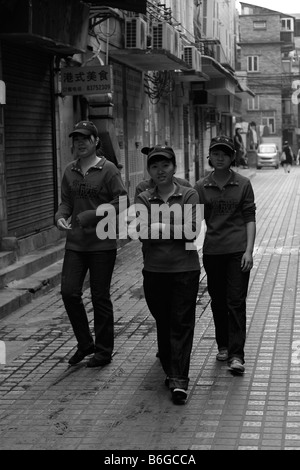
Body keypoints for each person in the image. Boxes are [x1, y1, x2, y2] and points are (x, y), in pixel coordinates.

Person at [55, 120, 128, 368]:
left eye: (85, 139)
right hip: (76, 243)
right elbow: (66, 201)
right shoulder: (69, 170)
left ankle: (104, 351)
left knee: (100, 297)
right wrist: (60, 216)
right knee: (69, 292)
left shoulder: (108, 170)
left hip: (102, 243)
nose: (80, 143)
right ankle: (85, 343)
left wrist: (95, 214)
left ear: (96, 141)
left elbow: (122, 202)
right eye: (76, 139)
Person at [135, 145, 201, 405]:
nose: (159, 171)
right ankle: (171, 368)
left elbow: (192, 231)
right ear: (149, 170)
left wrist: (159, 225)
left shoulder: (189, 194)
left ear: (174, 167)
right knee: (163, 321)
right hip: (154, 271)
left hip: (185, 270)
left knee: (182, 323)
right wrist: (174, 226)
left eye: (165, 165)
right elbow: (141, 231)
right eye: (154, 166)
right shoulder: (143, 197)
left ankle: (179, 380)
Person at [194, 135, 256, 375]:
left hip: (237, 252)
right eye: (215, 153)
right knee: (218, 301)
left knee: (236, 302)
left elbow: (249, 217)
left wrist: (249, 250)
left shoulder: (243, 184)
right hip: (213, 252)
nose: (220, 158)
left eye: (225, 153)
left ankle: (236, 355)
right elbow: (195, 222)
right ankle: (223, 345)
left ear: (232, 157)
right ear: (210, 156)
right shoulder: (201, 186)